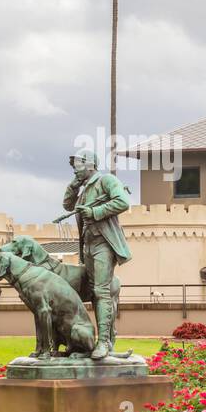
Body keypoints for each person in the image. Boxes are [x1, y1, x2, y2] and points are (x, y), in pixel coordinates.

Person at [62, 148, 131, 359]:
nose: (75, 169)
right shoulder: (83, 189)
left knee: (101, 291)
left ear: (90, 163)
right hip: (89, 246)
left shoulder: (106, 181)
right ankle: (104, 340)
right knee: (95, 293)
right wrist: (74, 185)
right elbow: (67, 206)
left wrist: (95, 212)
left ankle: (103, 343)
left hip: (103, 243)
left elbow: (122, 201)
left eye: (78, 165)